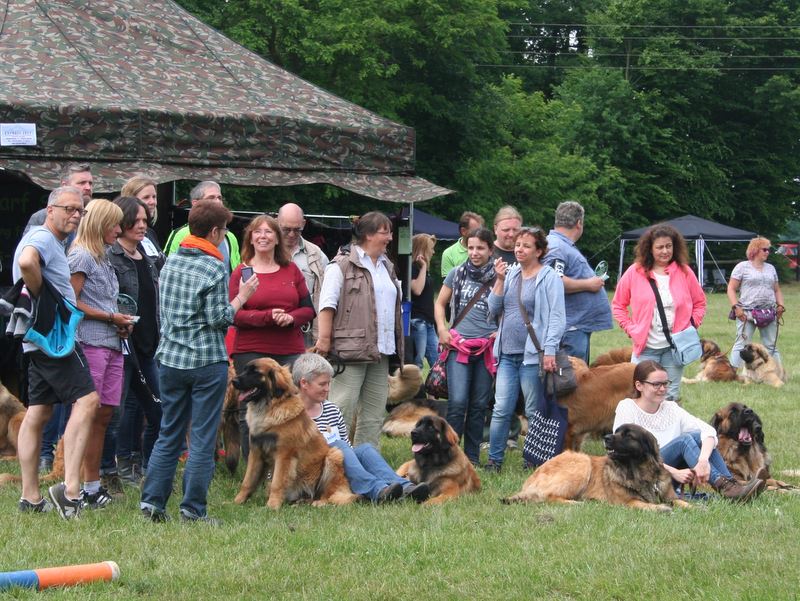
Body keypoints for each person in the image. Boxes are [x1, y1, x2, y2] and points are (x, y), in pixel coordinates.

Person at [140, 200, 258, 523]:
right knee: (203, 438)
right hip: (206, 361)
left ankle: (151, 504)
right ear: (216, 232)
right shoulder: (214, 266)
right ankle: (193, 509)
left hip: (171, 361)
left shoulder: (171, 261)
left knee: (169, 433)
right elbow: (219, 318)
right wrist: (242, 297)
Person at [13, 186, 101, 519]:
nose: (76, 215)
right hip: (56, 339)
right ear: (50, 210)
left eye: (80, 211)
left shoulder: (49, 239)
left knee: (38, 412)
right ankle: (71, 491)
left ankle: (30, 497)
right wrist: (43, 298)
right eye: (69, 209)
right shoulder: (43, 237)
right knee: (88, 400)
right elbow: (26, 262)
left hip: (37, 340)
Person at [613, 360, 765, 502]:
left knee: (698, 436)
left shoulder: (670, 408)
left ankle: (731, 485)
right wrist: (674, 472)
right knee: (684, 441)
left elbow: (708, 431)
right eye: (656, 384)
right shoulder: (627, 407)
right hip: (639, 476)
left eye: (665, 383)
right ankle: (727, 488)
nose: (663, 389)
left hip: (666, 478)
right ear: (639, 385)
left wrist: (703, 461)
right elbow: (626, 454)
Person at [229, 214, 315, 463]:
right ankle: (252, 467)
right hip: (252, 348)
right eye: (258, 232)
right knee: (251, 408)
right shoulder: (242, 273)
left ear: (278, 239)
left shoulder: (291, 270)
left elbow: (308, 309)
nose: (263, 236)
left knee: (291, 406)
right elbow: (234, 315)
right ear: (251, 238)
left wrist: (291, 318)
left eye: (269, 232)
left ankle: (288, 460)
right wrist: (266, 317)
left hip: (288, 347)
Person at [315, 211, 403, 448]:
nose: (390, 238)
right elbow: (327, 304)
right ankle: (330, 464)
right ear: (367, 235)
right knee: (340, 410)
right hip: (349, 352)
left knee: (373, 416)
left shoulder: (387, 266)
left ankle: (367, 467)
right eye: (385, 232)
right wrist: (324, 340)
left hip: (380, 351)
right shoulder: (341, 265)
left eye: (390, 232)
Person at [292, 353, 430, 503]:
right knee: (338, 445)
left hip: (335, 471)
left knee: (363, 449)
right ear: (304, 383)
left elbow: (347, 449)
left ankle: (406, 488)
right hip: (306, 478)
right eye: (322, 384)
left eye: (329, 383)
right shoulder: (291, 415)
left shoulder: (331, 409)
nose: (327, 389)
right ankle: (377, 490)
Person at [67, 198, 132, 508]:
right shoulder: (80, 256)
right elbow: (72, 302)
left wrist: (120, 322)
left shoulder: (103, 257)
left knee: (105, 414)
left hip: (113, 343)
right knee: (87, 414)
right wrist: (110, 318)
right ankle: (74, 485)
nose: (119, 230)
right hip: (89, 343)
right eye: (115, 224)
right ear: (101, 224)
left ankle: (92, 487)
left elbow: (104, 301)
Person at [485, 227, 565, 471]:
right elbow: (493, 310)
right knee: (501, 409)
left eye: (526, 245)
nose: (519, 249)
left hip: (533, 355)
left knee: (532, 410)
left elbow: (557, 317)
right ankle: (494, 461)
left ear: (539, 251)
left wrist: (550, 350)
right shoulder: (510, 275)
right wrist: (498, 280)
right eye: (518, 244)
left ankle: (532, 461)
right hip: (507, 353)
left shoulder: (549, 277)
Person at [612, 224, 706, 402]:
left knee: (669, 396)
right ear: (650, 248)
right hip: (645, 348)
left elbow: (700, 303)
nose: (665, 251)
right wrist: (631, 328)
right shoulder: (635, 272)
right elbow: (618, 305)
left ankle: (668, 429)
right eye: (660, 247)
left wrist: (691, 325)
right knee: (640, 396)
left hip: (674, 349)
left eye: (669, 246)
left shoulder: (685, 272)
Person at [108, 196, 162, 486]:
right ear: (122, 222)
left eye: (145, 220)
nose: (142, 225)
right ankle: (119, 466)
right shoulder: (111, 256)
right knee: (121, 411)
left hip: (150, 345)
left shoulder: (149, 255)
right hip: (122, 344)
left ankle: (151, 465)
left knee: (157, 411)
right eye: (136, 220)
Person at [434, 227, 496, 465]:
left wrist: (498, 333)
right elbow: (440, 303)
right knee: (458, 402)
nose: (474, 252)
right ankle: (448, 453)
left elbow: (507, 311)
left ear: (491, 250)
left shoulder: (499, 277)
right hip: (458, 347)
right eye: (470, 247)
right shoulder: (457, 273)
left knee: (479, 404)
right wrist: (442, 329)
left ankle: (471, 457)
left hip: (485, 350)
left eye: (480, 248)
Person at [544, 201, 612, 364]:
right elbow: (554, 280)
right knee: (571, 381)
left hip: (576, 326)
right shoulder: (557, 246)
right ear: (579, 223)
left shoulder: (560, 245)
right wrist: (588, 284)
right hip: (571, 328)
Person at [727, 237, 785, 370]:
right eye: (764, 249)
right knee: (742, 343)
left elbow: (776, 289)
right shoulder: (742, 267)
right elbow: (731, 288)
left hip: (769, 312)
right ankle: (733, 372)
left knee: (770, 345)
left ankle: (776, 372)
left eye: (768, 250)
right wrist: (736, 307)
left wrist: (781, 305)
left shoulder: (771, 268)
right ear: (755, 250)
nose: (767, 252)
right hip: (746, 312)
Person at [277, 202, 329, 346]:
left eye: (297, 230)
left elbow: (328, 297)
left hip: (307, 334)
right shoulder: (263, 252)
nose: (292, 234)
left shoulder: (317, 255)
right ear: (276, 222)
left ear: (304, 224)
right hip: (271, 331)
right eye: (286, 229)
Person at [163, 181, 241, 275]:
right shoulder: (180, 234)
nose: (217, 202)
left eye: (219, 198)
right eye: (211, 197)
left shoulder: (230, 237)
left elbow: (236, 272)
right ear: (195, 204)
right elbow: (166, 269)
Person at [24, 163, 94, 239]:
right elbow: (27, 247)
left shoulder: (98, 216)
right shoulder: (42, 217)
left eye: (90, 183)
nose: (88, 187)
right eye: (82, 183)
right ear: (65, 185)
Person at [120, 175, 166, 270]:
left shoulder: (150, 233)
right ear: (131, 201)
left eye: (154, 197)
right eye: (146, 197)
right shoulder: (121, 235)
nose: (152, 202)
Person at [409, 233, 438, 370]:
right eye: (430, 248)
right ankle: (416, 391)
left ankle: (436, 390)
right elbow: (417, 290)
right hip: (417, 321)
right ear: (422, 249)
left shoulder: (423, 270)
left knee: (437, 360)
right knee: (417, 362)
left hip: (428, 322)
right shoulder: (412, 268)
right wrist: (424, 267)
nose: (433, 251)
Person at [440, 211, 485, 277]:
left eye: (481, 230)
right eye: (475, 231)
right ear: (463, 231)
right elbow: (448, 285)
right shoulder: (449, 254)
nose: (479, 234)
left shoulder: (487, 249)